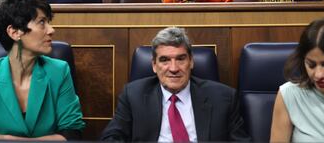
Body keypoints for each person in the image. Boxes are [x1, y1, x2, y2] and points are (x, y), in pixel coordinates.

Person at [100, 27, 250, 142]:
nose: (173, 68)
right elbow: (112, 137)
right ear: (154, 65)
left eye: (180, 59)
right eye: (164, 60)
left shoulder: (223, 98)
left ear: (191, 62)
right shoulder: (133, 95)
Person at [0, 0, 85, 140]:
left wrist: (6, 140)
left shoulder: (59, 71)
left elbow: (72, 134)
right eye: (42, 22)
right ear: (14, 32)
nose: (51, 30)